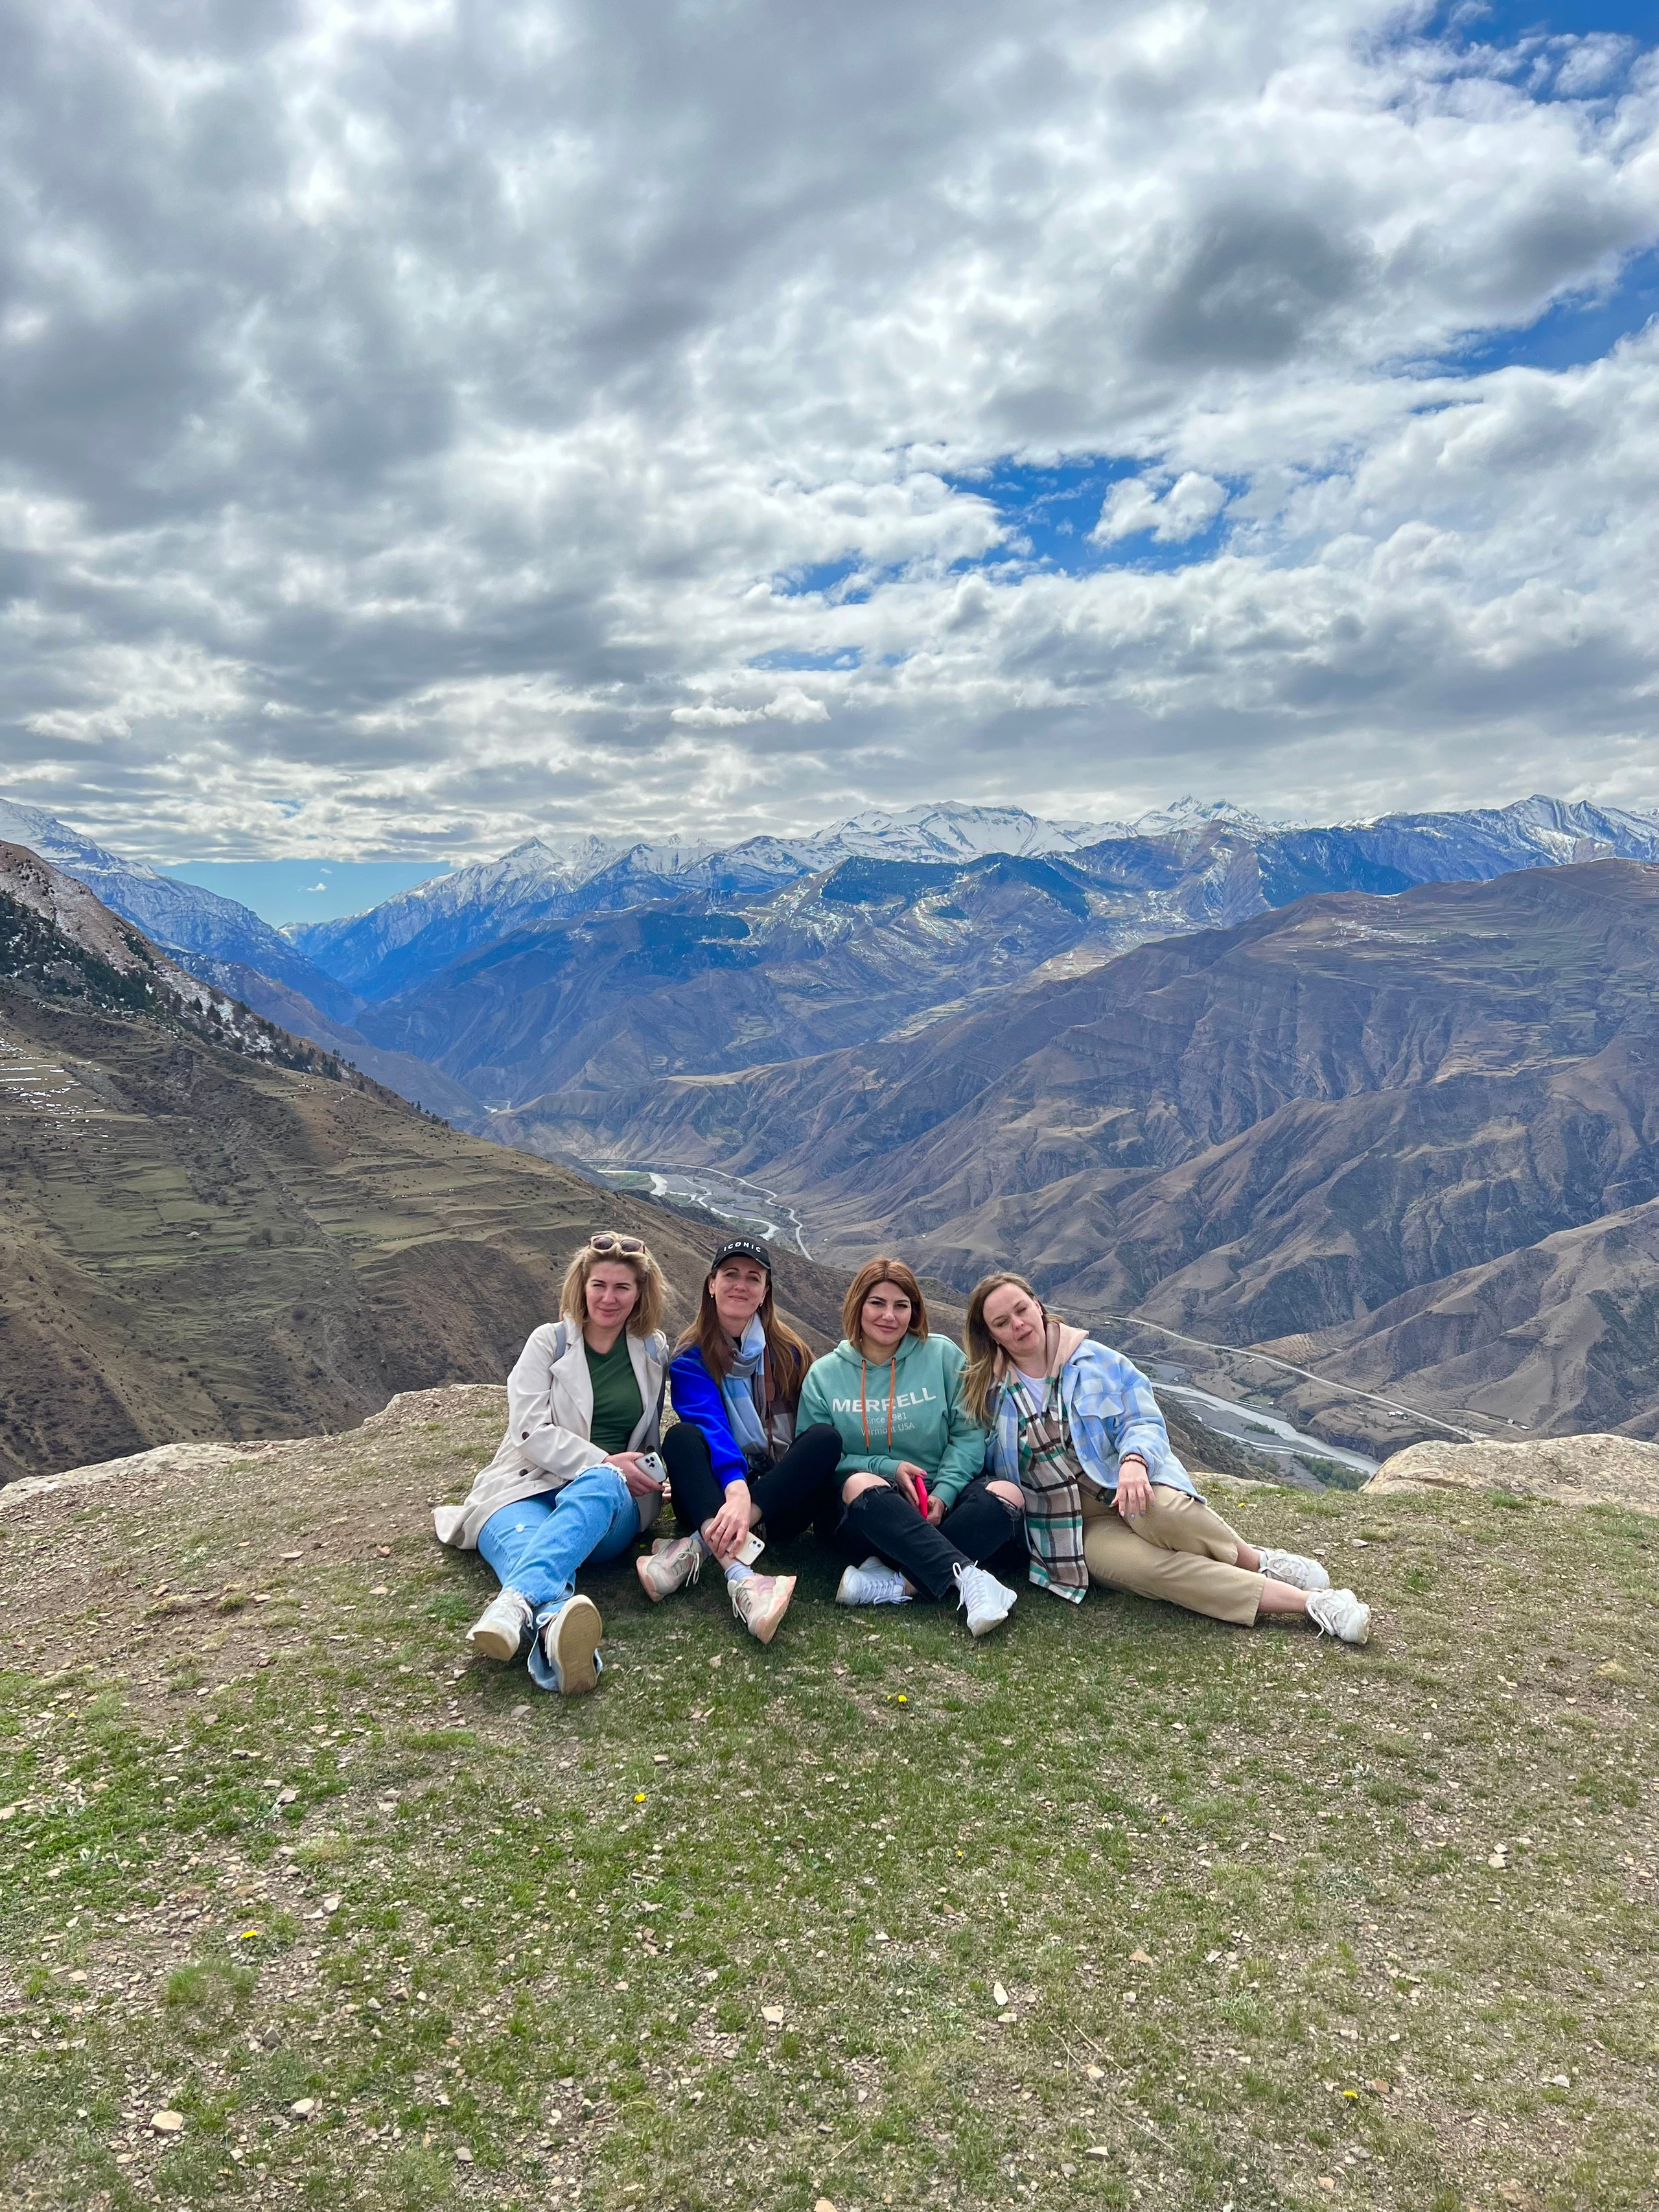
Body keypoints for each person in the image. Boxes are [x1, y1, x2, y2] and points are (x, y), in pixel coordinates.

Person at [962, 1271, 1371, 1644]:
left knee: (1170, 1515)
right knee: (1155, 1571)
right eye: (1002, 1322)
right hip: (1066, 1524)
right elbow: (969, 1455)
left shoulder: (1098, 1361)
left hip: (1123, 1483)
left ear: (1038, 1305)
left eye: (1022, 1309)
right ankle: (1311, 1603)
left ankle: (1256, 1561)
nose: (1018, 1325)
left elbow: (1143, 1420)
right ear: (992, 1335)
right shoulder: (987, 1393)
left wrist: (1134, 1462)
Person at [432, 1231, 672, 1694]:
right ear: (581, 1286)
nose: (609, 1297)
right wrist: (604, 1459)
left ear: (641, 1293)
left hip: (607, 1502)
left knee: (600, 1481)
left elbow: (649, 1435)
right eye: (598, 1284)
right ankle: (552, 1633)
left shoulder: (652, 1349)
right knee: (533, 1542)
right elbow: (529, 1430)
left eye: (622, 1287)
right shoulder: (550, 1342)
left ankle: (513, 1601)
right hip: (524, 1486)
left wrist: (644, 1473)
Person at [797, 1256, 1023, 1636]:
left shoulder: (942, 1356)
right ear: (858, 1306)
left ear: (914, 1311)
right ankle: (969, 1577)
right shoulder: (824, 1375)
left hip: (938, 1504)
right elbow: (818, 1460)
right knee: (859, 1483)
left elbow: (969, 1435)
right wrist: (887, 1468)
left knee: (1008, 1494)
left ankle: (898, 1584)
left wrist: (946, 1493)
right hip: (868, 1515)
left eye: (902, 1305)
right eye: (877, 1303)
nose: (890, 1316)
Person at [647, 1235, 842, 1642]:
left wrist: (749, 1503)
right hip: (715, 1494)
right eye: (730, 1274)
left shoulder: (790, 1351)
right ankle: (743, 1578)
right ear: (711, 1284)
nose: (741, 1284)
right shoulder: (690, 1356)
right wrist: (735, 1491)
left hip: (777, 1499)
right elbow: (710, 1425)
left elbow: (809, 1427)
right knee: (681, 1437)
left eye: (753, 1277)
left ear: (765, 1291)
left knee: (824, 1438)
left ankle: (699, 1546)